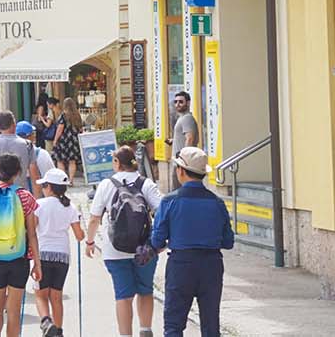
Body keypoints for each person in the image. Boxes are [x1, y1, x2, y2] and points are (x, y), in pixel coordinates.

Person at [150, 147, 233, 337]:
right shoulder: (217, 203)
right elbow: (228, 241)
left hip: (181, 265)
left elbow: (157, 240)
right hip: (211, 265)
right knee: (211, 326)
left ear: (180, 171)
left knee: (174, 326)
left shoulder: (170, 201)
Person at [87, 144, 164, 337]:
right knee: (145, 290)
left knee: (123, 295)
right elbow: (162, 213)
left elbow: (95, 217)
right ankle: (145, 330)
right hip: (144, 248)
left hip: (115, 249)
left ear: (117, 163)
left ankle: (125, 335)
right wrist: (159, 243)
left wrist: (89, 241)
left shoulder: (106, 184)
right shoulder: (146, 184)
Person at [0, 152, 42, 337]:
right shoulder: (25, 196)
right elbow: (33, 234)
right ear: (18, 172)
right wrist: (37, 263)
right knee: (13, 311)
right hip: (18, 259)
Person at [34, 167, 85, 337]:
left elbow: (32, 230)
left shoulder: (39, 205)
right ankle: (59, 330)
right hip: (62, 255)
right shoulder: (70, 207)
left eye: (44, 186)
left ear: (49, 187)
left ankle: (46, 322)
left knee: (40, 295)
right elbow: (79, 236)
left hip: (42, 254)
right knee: (56, 295)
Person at [0, 114, 41, 188]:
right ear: (14, 124)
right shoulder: (28, 145)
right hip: (20, 195)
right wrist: (37, 198)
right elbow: (35, 176)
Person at [168, 92, 198, 192]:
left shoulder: (187, 118)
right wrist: (174, 141)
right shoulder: (182, 118)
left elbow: (190, 138)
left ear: (188, 103)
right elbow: (185, 137)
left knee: (177, 193)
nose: (177, 104)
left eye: (181, 102)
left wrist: (183, 161)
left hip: (182, 164)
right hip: (179, 163)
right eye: (175, 102)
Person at [49, 99, 84, 180]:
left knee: (60, 160)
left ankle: (63, 179)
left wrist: (55, 139)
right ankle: (71, 180)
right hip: (74, 141)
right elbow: (81, 129)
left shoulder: (63, 115)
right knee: (72, 161)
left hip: (63, 141)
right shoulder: (77, 115)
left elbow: (60, 128)